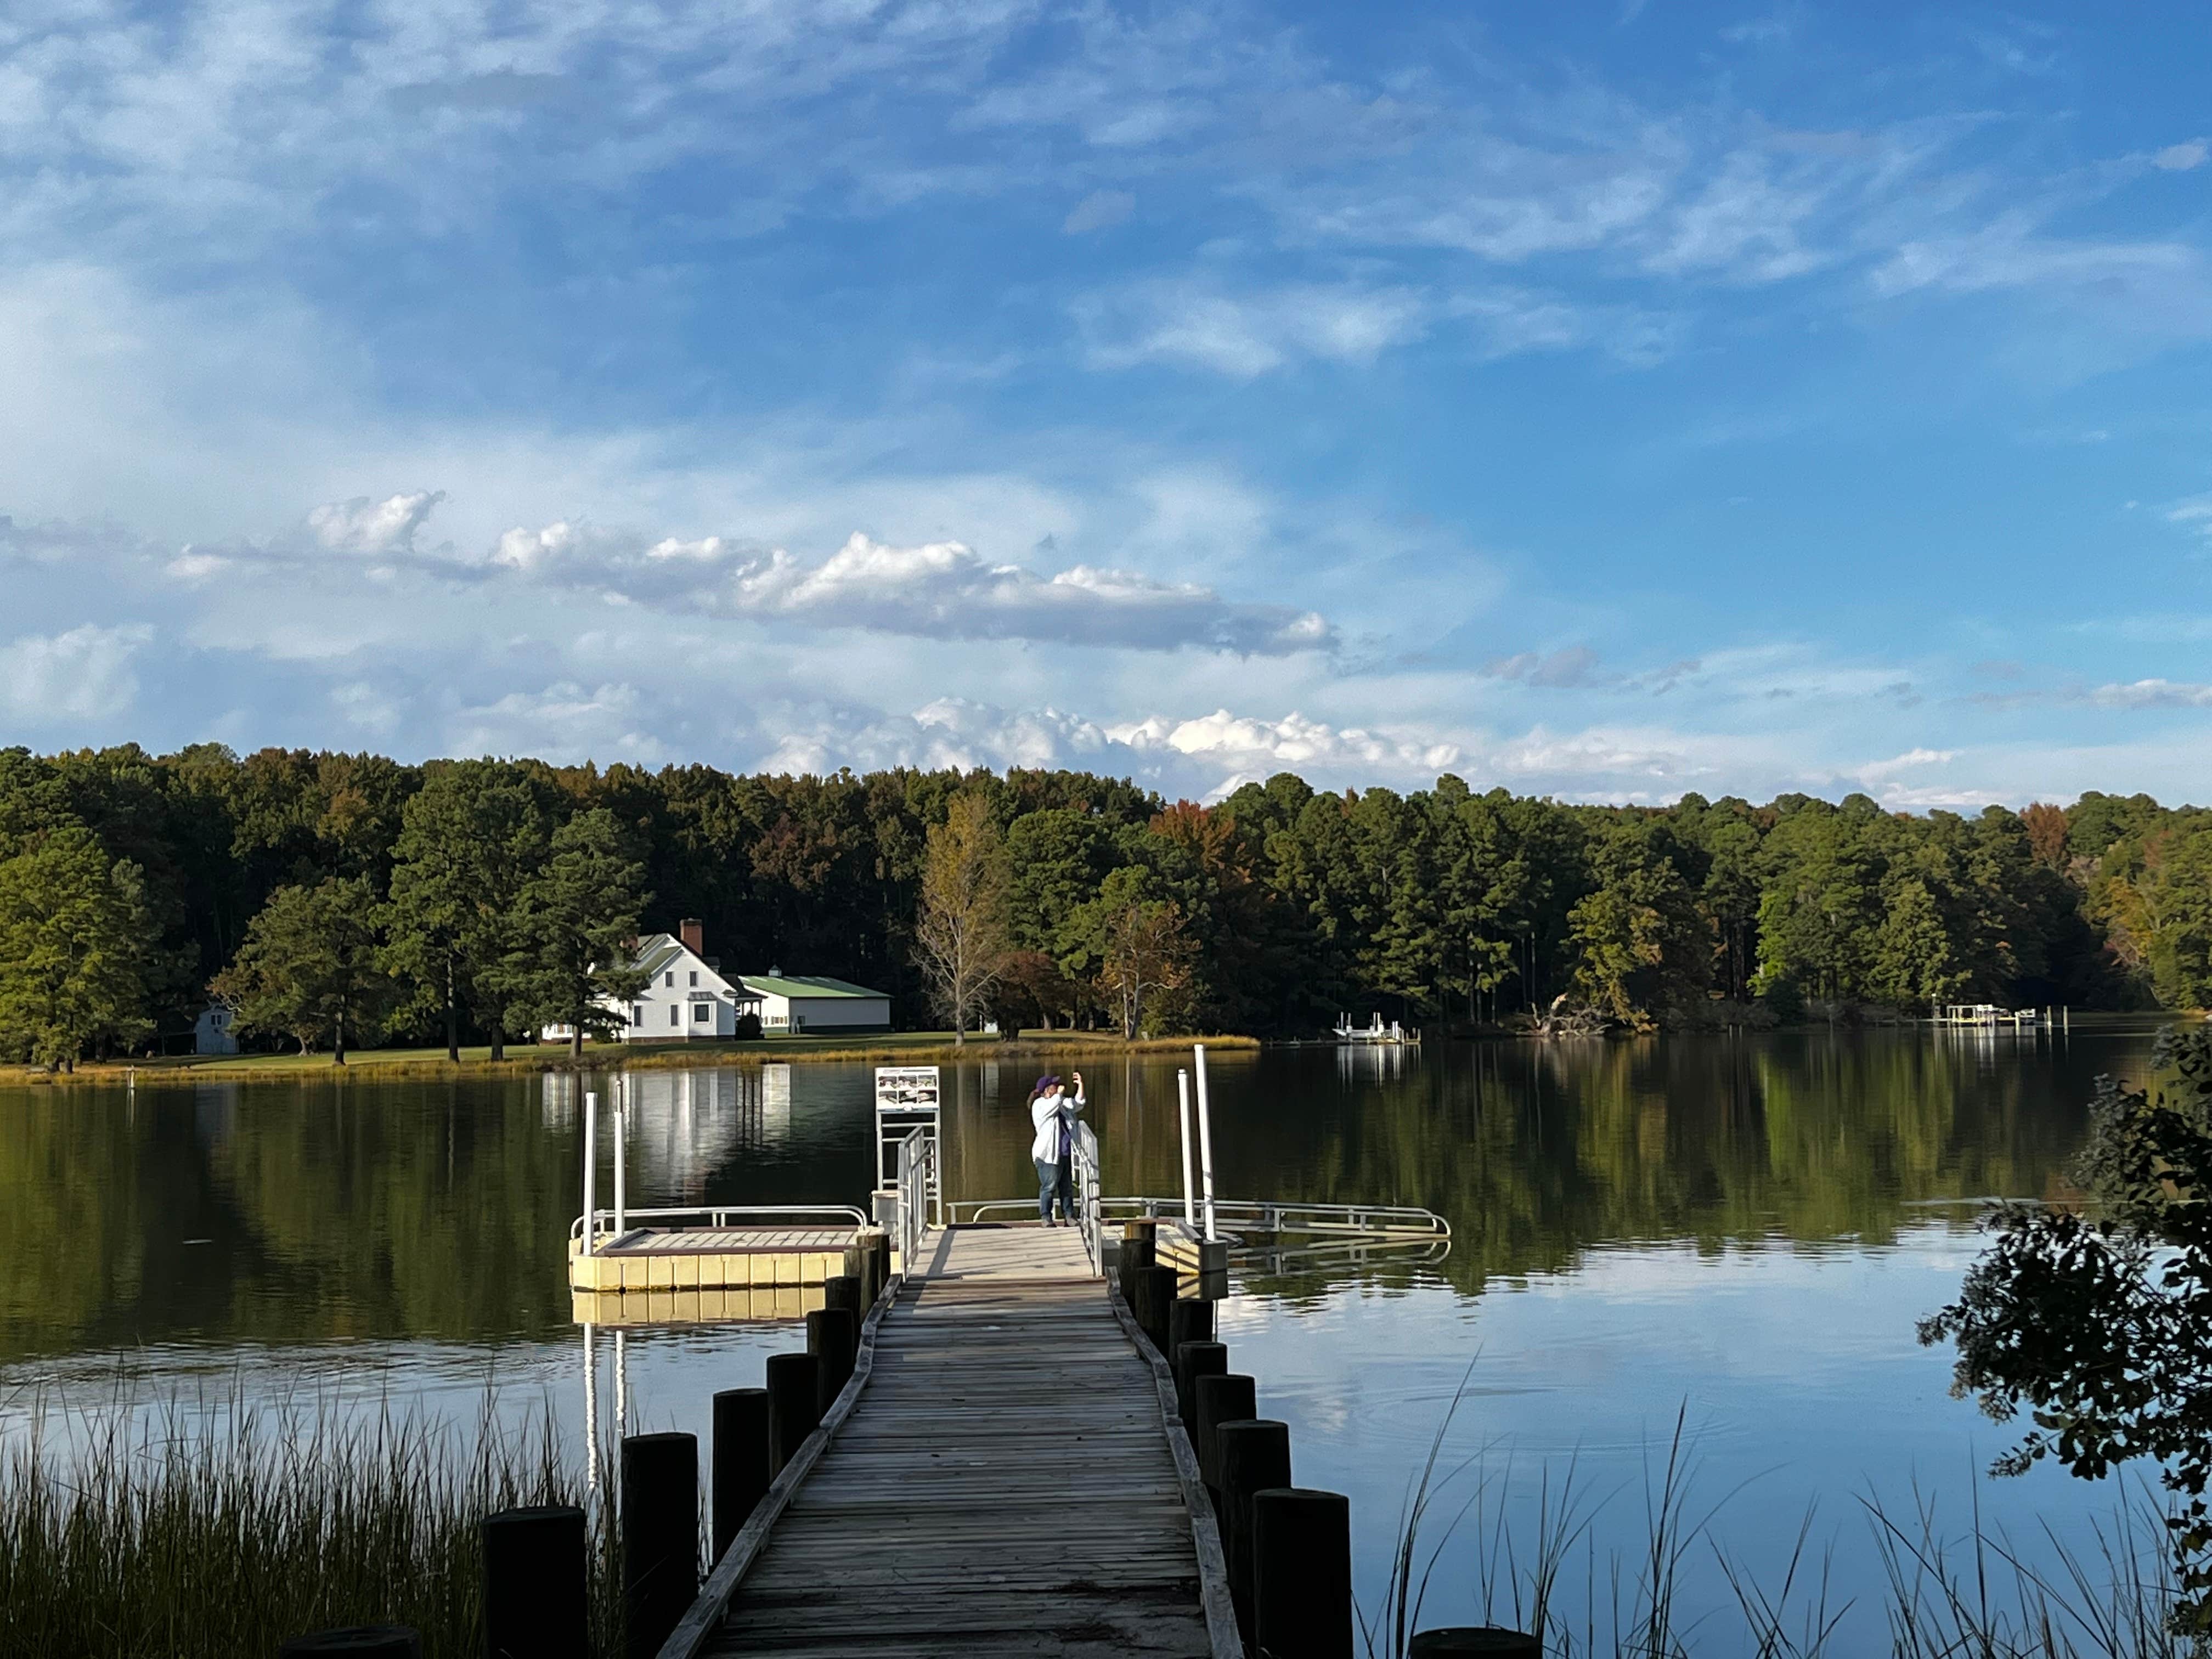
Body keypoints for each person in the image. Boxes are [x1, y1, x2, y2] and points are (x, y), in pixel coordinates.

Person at [1029, 1070, 1086, 1226]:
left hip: (1065, 1153)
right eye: (1054, 1086)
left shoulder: (1060, 1103)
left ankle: (1070, 1216)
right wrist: (1058, 1096)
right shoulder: (1039, 1105)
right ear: (1047, 1090)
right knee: (1049, 1186)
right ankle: (1046, 1217)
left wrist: (1080, 1085)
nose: (1058, 1086)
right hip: (1047, 1156)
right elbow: (1051, 1108)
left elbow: (1077, 1104)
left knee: (1066, 1187)